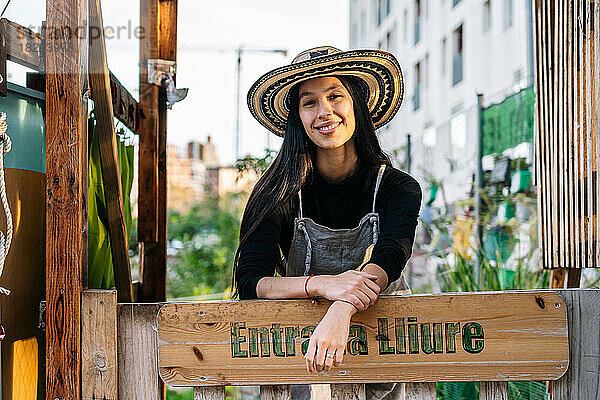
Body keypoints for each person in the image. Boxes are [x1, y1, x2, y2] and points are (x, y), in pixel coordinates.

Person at [235, 46, 422, 400]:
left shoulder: (398, 188)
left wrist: (343, 306)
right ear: (298, 117)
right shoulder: (278, 193)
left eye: (335, 95)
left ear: (355, 104)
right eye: (309, 102)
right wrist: (324, 285)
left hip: (387, 359)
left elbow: (390, 257)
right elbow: (251, 282)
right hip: (306, 362)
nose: (325, 111)